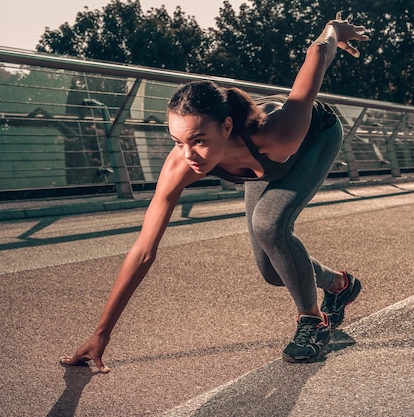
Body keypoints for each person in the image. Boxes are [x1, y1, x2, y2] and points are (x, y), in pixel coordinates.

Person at [60, 11, 369, 369]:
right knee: (273, 271)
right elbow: (143, 251)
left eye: (199, 141)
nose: (188, 155)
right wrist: (102, 333)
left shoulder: (277, 133)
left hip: (317, 136)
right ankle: (339, 284)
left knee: (269, 224)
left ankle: (312, 322)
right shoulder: (182, 163)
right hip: (260, 164)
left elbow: (317, 56)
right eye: (178, 141)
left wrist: (332, 29)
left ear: (226, 126)